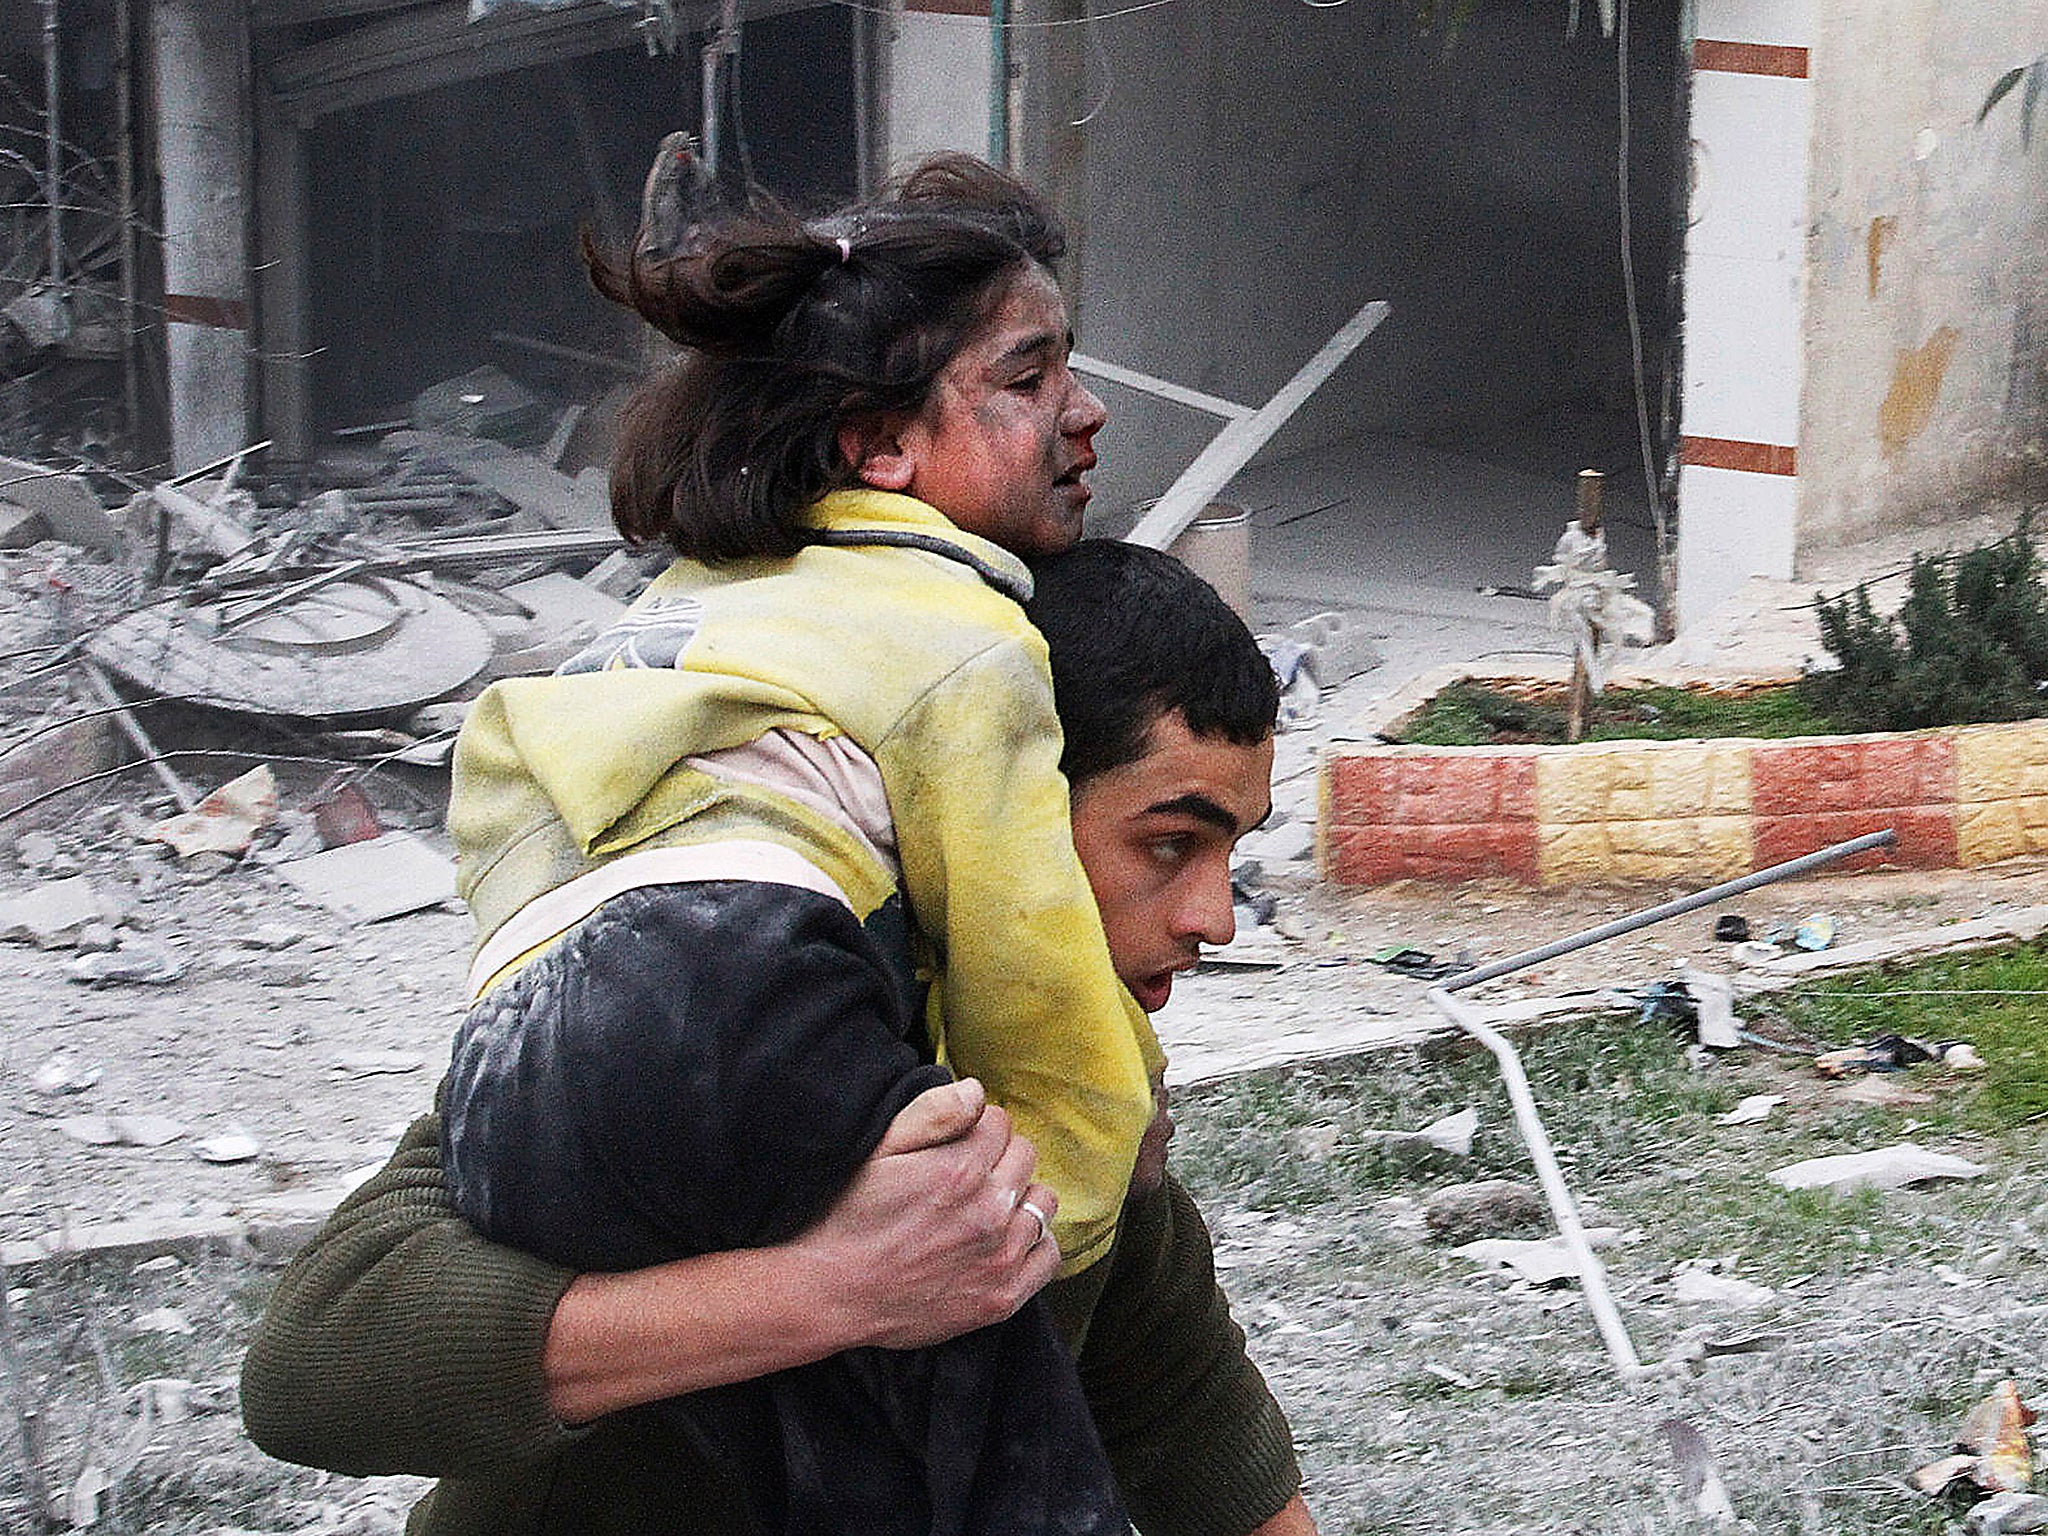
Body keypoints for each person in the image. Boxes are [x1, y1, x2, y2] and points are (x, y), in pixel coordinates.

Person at [243, 541, 1318, 1536]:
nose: (1214, 918)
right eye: (1169, 843)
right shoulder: (707, 1023)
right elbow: (311, 1366)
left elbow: (1186, 1412)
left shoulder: (1070, 1097)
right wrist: (834, 1289)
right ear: (1012, 818)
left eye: (1230, 853)